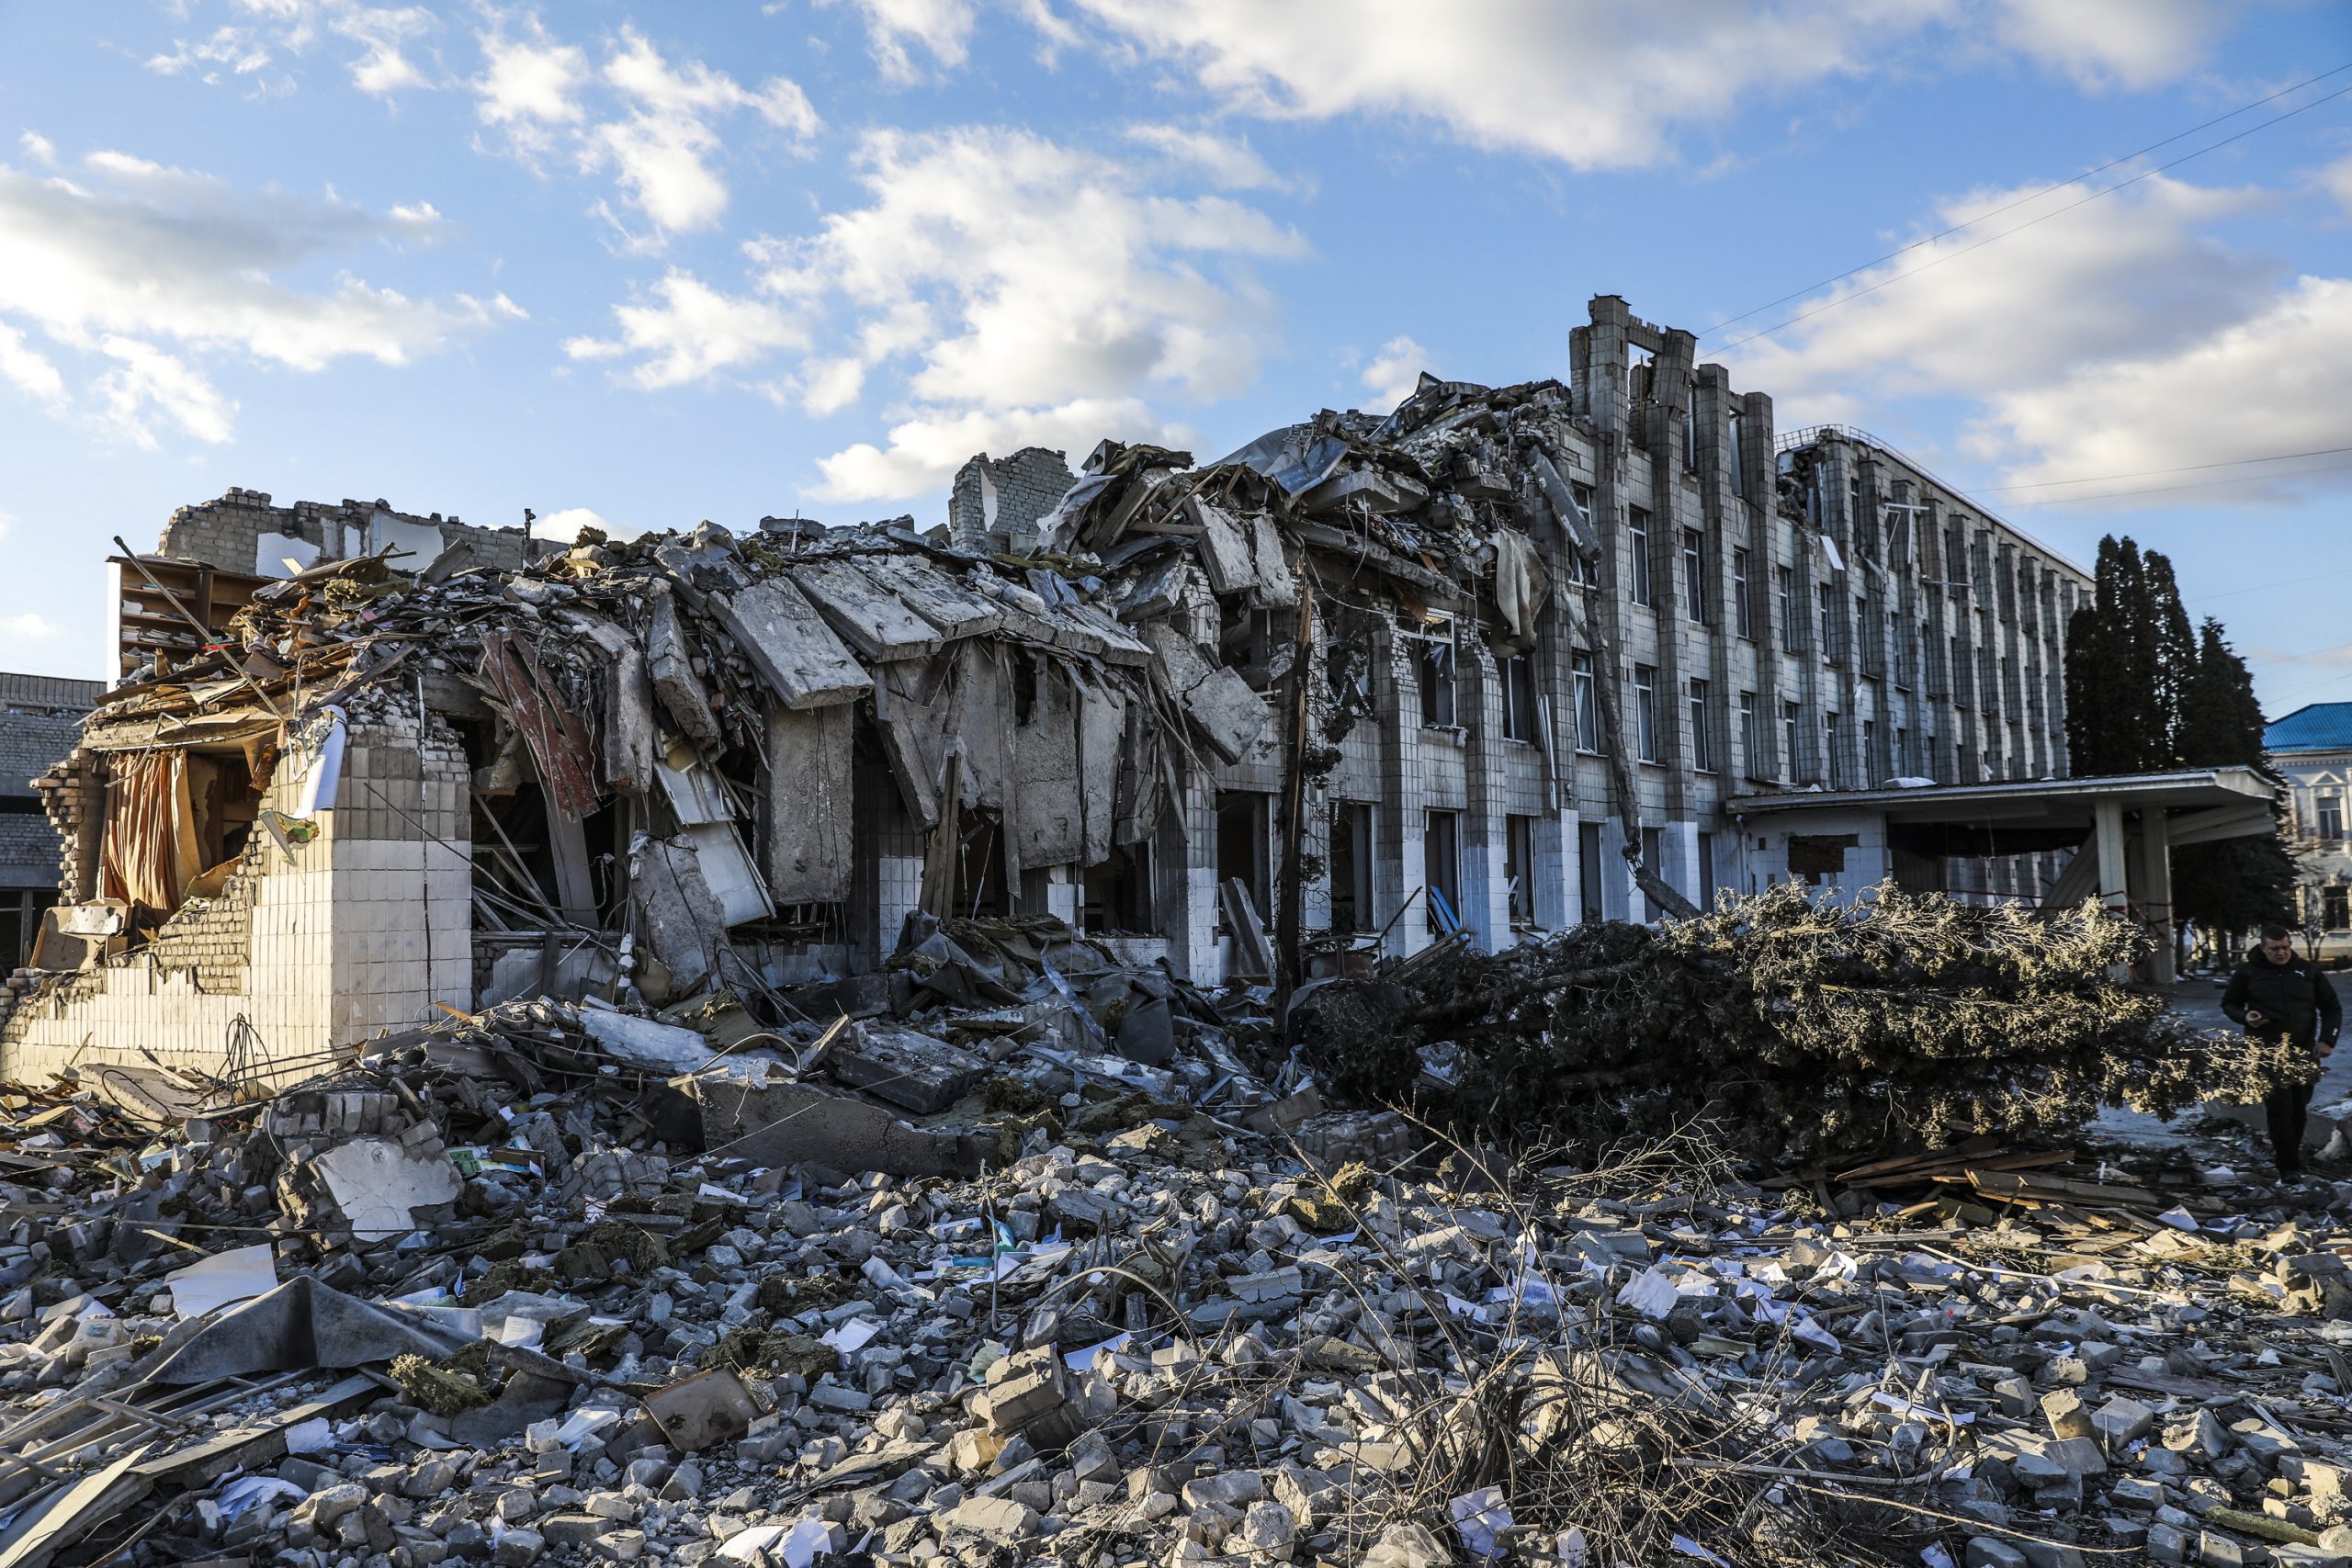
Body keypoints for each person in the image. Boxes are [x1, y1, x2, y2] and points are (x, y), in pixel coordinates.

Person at [2222, 923, 2342, 1180]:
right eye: (2275, 949)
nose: (2281, 953)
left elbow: (2331, 1008)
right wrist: (2245, 1016)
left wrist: (2327, 1041)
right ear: (2263, 948)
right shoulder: (2248, 972)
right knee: (2279, 1108)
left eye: (2286, 947)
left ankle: (2292, 1156)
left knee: (2299, 1107)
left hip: (2304, 1052)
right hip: (2266, 1051)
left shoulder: (2308, 971)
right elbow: (2229, 1003)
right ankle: (2287, 1165)